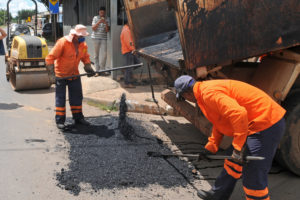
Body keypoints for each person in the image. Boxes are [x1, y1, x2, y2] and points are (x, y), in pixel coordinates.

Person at [174, 75, 286, 200]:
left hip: (267, 122)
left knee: (253, 175)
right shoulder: (202, 94)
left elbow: (239, 113)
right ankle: (218, 195)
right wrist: (211, 146)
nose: (186, 100)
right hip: (253, 123)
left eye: (183, 98)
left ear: (186, 94)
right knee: (233, 161)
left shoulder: (208, 94)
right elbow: (219, 120)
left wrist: (238, 148)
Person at [46, 24, 95, 130]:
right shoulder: (63, 43)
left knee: (77, 97)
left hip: (74, 75)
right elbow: (50, 58)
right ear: (74, 35)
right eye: (81, 36)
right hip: (61, 76)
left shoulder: (83, 44)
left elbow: (85, 57)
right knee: (60, 99)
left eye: (83, 36)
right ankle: (60, 120)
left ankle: (78, 118)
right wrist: (51, 74)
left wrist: (88, 67)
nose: (83, 38)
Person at [120, 19, 139, 88]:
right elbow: (129, 42)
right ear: (128, 23)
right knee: (129, 68)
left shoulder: (127, 29)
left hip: (129, 51)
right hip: (128, 51)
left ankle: (125, 70)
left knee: (137, 64)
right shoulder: (126, 31)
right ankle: (127, 83)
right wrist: (133, 49)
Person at [91, 6, 110, 76]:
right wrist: (99, 22)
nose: (102, 14)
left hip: (104, 38)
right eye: (101, 12)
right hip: (95, 38)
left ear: (105, 12)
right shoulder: (95, 18)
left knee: (104, 54)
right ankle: (97, 71)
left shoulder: (107, 18)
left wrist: (105, 23)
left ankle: (102, 70)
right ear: (99, 12)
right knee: (96, 55)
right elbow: (93, 28)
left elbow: (107, 30)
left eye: (103, 12)